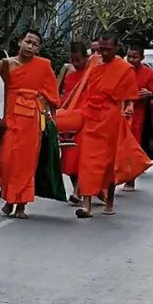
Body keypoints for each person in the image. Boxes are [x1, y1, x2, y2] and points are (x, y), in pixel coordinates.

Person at [0, 29, 59, 219]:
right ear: (20, 42)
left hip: (32, 123)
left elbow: (52, 96)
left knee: (27, 164)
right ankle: (10, 199)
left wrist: (53, 119)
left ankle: (20, 205)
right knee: (7, 161)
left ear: (38, 49)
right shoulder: (5, 64)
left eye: (35, 44)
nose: (30, 46)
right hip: (11, 121)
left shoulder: (43, 66)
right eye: (28, 41)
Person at [74, 33, 141, 218]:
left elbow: (130, 95)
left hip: (110, 118)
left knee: (109, 163)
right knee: (87, 161)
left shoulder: (124, 69)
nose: (103, 53)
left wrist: (129, 106)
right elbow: (85, 87)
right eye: (100, 49)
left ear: (117, 48)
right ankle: (86, 205)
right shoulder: (93, 62)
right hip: (91, 115)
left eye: (107, 49)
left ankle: (109, 202)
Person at [124, 45, 153, 190]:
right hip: (119, 112)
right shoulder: (121, 70)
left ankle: (130, 179)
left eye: (135, 57)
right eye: (129, 56)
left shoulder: (149, 74)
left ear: (142, 58)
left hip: (138, 115)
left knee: (132, 147)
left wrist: (149, 93)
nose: (131, 60)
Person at [58, 41, 90, 203]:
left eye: (78, 60)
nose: (75, 64)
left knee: (81, 157)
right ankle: (76, 189)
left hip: (86, 122)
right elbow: (63, 96)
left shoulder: (91, 76)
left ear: (86, 58)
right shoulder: (70, 76)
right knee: (69, 157)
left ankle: (78, 191)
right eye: (73, 60)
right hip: (69, 122)